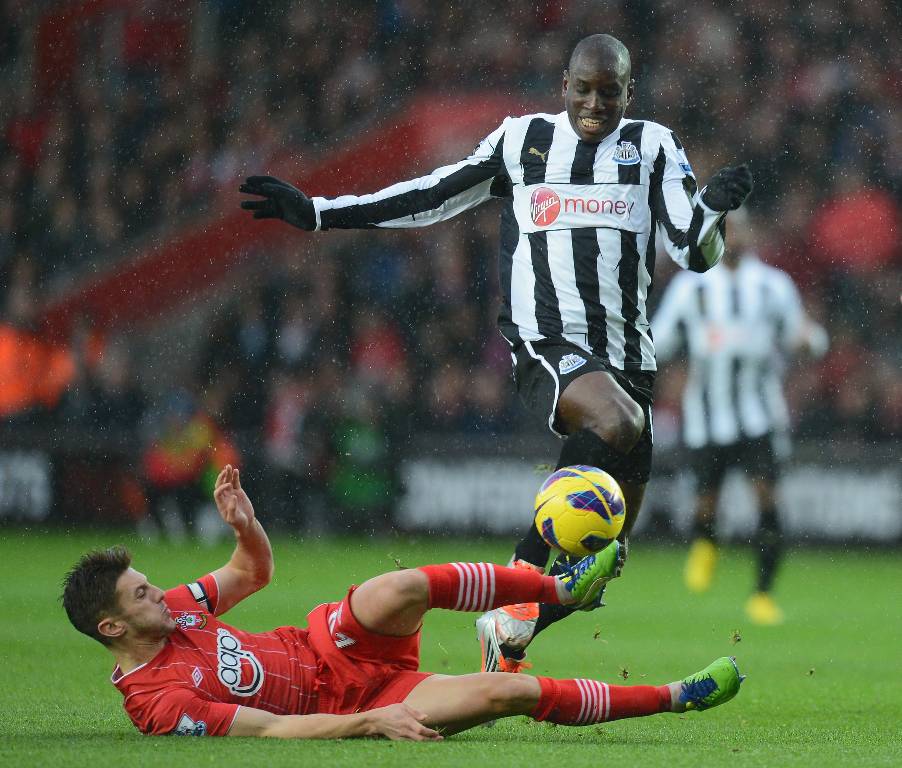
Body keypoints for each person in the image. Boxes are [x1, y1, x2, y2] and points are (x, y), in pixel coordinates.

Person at [239, 33, 753, 671]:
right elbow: (432, 196)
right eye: (584, 89)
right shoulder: (522, 142)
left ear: (630, 92)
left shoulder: (652, 147)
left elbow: (691, 250)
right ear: (563, 85)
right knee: (616, 421)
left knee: (605, 555)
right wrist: (320, 213)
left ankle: (509, 634)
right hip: (547, 343)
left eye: (609, 92)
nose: (595, 103)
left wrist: (712, 212)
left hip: (629, 363)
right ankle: (518, 580)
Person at [62, 465, 743, 739]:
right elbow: (270, 731)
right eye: (141, 594)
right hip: (355, 703)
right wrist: (374, 722)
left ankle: (556, 588)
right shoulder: (157, 704)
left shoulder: (179, 609)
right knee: (506, 695)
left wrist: (245, 526)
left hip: (330, 643)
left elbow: (251, 572)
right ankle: (674, 696)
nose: (161, 593)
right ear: (112, 625)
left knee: (400, 586)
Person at [651, 211, 828, 625]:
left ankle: (763, 594)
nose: (734, 238)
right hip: (705, 416)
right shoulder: (691, 287)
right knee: (706, 503)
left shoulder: (772, 286)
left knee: (768, 499)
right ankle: (705, 543)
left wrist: (812, 342)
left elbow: (806, 337)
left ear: (752, 234)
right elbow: (659, 343)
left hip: (759, 415)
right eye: (725, 231)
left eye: (741, 229)